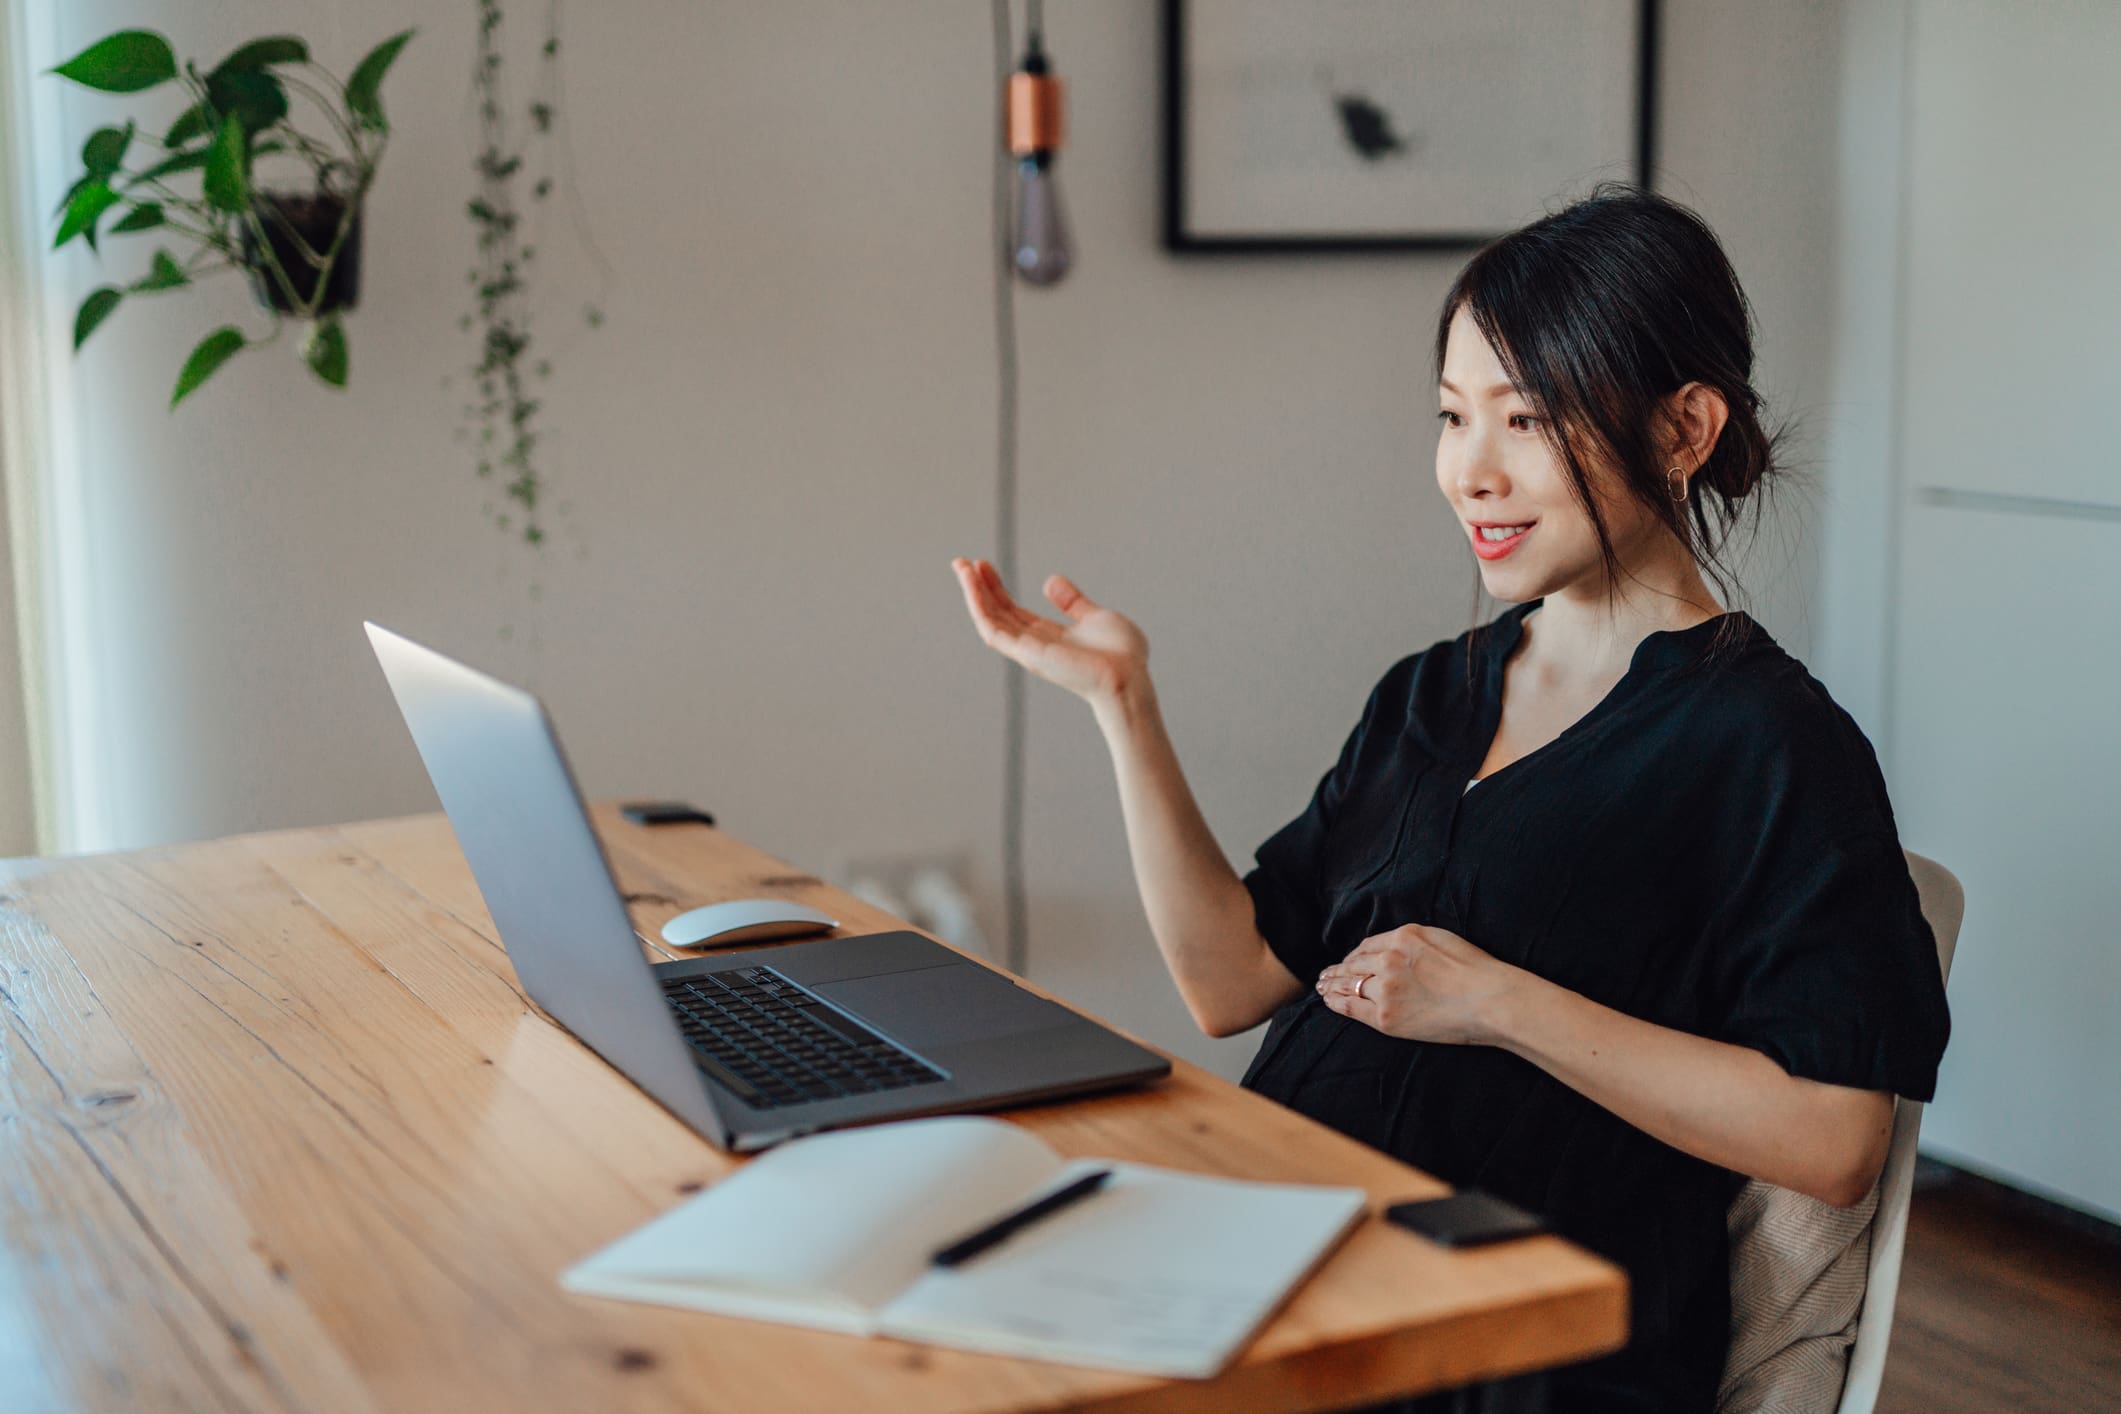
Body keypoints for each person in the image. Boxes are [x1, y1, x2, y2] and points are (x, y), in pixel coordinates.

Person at [947, 184, 1949, 1414]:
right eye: (1451, 416)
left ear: (1685, 428)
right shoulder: (1436, 692)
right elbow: (1230, 982)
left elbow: (1835, 1140)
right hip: (1276, 1268)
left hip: (1508, 1350)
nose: (1471, 470)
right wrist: (1124, 706)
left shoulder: (1772, 744)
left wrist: (1498, 1002)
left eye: (1527, 419)